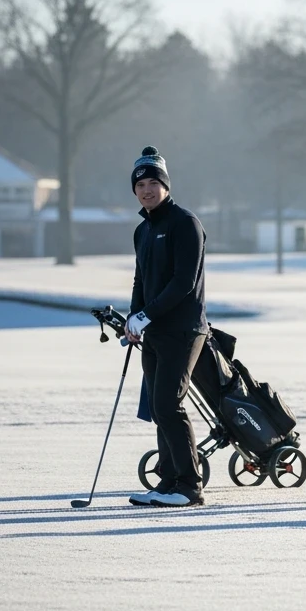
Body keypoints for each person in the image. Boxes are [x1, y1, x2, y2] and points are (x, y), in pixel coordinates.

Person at [124, 146, 209, 508]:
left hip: (184, 329)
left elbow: (183, 282)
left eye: (153, 182)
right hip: (155, 331)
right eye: (141, 184)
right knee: (158, 408)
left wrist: (148, 315)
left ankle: (189, 486)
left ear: (166, 185)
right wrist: (133, 318)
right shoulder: (142, 231)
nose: (147, 190)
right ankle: (168, 481)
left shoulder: (185, 223)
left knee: (168, 403)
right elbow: (141, 280)